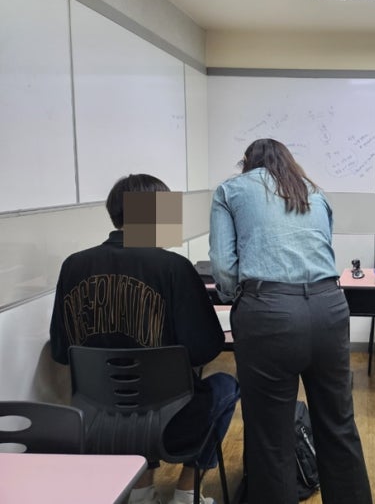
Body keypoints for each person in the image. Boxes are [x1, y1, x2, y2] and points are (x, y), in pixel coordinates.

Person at [50, 174, 240, 504]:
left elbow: (61, 351)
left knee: (141, 396)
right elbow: (204, 349)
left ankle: (140, 489)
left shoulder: (73, 265)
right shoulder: (174, 267)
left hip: (97, 422)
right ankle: (186, 491)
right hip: (173, 425)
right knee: (225, 385)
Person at [209, 138, 372, 504]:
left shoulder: (230, 191)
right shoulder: (314, 192)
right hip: (330, 308)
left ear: (247, 163)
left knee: (270, 437)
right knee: (339, 426)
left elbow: (223, 267)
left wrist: (240, 296)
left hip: (268, 314)